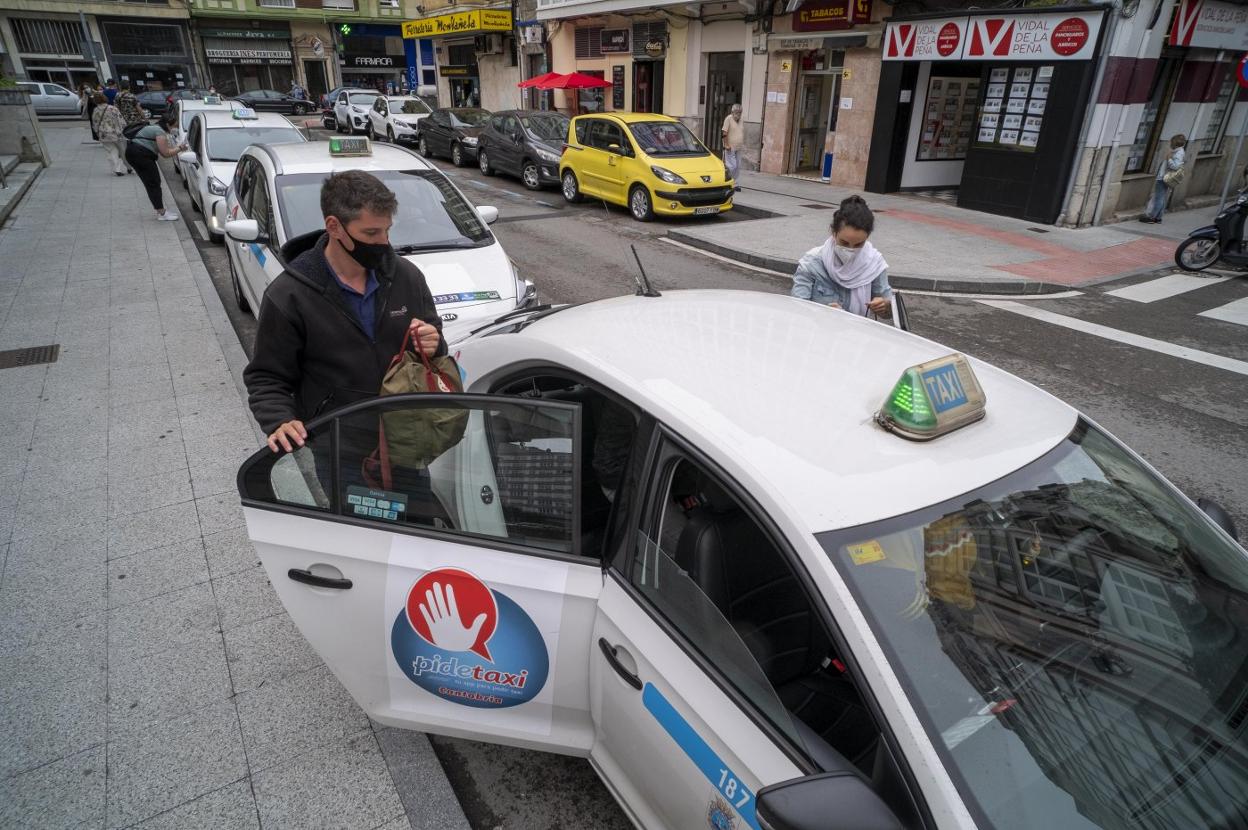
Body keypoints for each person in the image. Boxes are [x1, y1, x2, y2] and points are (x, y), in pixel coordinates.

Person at [244, 170, 445, 459]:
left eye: (387, 230)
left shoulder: (406, 277)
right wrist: (279, 419)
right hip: (338, 447)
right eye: (371, 233)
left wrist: (433, 342)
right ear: (334, 226)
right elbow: (266, 376)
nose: (384, 242)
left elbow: (434, 341)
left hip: (407, 436)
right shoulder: (290, 294)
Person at [791, 195, 892, 317]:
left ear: (867, 237)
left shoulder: (874, 264)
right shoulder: (812, 263)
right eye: (844, 243)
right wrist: (822, 314)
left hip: (857, 333)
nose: (850, 249)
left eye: (859, 244)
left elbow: (888, 312)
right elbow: (797, 310)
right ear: (834, 232)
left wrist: (884, 307)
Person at [125, 112, 185, 221]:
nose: (175, 128)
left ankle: (161, 210)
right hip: (141, 156)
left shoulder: (154, 127)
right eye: (174, 125)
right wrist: (180, 148)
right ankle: (162, 213)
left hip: (134, 153)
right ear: (167, 124)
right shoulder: (160, 132)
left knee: (152, 183)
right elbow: (165, 153)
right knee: (154, 183)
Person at [1141, 134, 1187, 224]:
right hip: (1166, 177)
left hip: (1164, 177)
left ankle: (1152, 217)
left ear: (1174, 143)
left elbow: (1175, 166)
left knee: (1159, 197)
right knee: (1161, 197)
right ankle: (1158, 217)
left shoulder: (1178, 153)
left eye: (1171, 142)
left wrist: (1169, 158)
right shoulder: (1178, 151)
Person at [90, 93, 131, 176]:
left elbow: (94, 123)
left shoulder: (95, 110)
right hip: (117, 133)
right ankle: (129, 167)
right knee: (123, 151)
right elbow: (121, 121)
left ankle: (117, 169)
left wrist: (97, 133)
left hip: (103, 135)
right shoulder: (113, 108)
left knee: (111, 151)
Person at [721, 103, 744, 189]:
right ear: (732, 112)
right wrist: (726, 145)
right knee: (732, 165)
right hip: (730, 147)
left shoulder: (741, 119)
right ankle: (728, 182)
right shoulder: (728, 119)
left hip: (739, 147)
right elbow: (724, 133)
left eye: (740, 112)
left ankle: (735, 183)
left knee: (738, 165)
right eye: (737, 112)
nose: (738, 114)